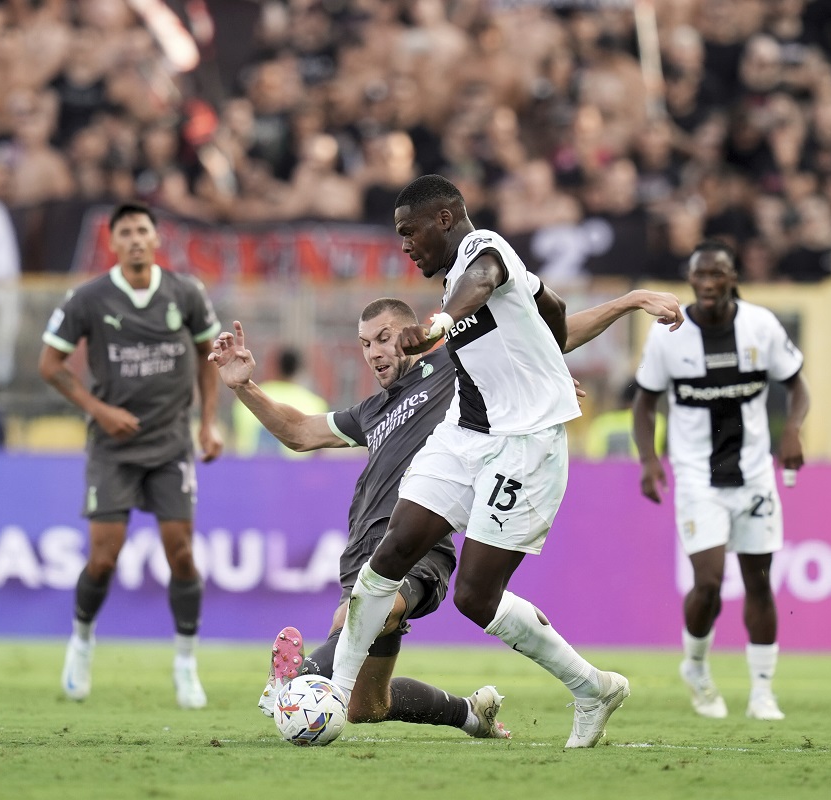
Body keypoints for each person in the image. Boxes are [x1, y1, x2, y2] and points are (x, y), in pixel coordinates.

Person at [210, 287, 680, 738]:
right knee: (365, 707)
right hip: (362, 550)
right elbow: (298, 432)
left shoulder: (452, 363)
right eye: (365, 343)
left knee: (365, 616)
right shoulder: (372, 412)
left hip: (420, 543)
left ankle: (295, 681)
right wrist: (244, 386)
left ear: (411, 331)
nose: (374, 352)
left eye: (384, 337)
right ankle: (472, 714)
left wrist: (618, 311)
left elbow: (547, 333)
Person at [318, 174, 684, 748]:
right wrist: (549, 361)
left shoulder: (483, 249)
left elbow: (484, 280)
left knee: (475, 597)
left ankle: (592, 687)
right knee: (391, 552)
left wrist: (440, 325)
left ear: (443, 219)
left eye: (409, 232)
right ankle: (336, 698)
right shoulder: (466, 281)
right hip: (465, 434)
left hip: (526, 444)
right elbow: (554, 312)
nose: (405, 246)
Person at [39, 201, 223, 709]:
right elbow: (50, 364)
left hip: (170, 445)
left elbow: (210, 356)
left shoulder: (185, 292)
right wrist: (98, 409)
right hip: (113, 448)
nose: (136, 238)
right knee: (103, 557)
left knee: (181, 552)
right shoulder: (90, 298)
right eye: (126, 232)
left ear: (156, 238)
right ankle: (80, 643)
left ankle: (185, 663)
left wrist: (207, 423)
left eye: (144, 229)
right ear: (113, 242)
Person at [632, 240, 809, 722]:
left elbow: (797, 386)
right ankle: (695, 665)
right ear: (692, 281)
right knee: (708, 582)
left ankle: (763, 692)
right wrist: (649, 460)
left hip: (753, 474)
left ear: (732, 278)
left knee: (758, 581)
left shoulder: (761, 326)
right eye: (700, 276)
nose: (708, 284)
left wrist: (791, 430)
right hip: (696, 476)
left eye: (718, 275)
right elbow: (645, 403)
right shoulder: (670, 334)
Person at [231, 346, 327, 458]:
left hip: (251, 471)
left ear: (274, 366)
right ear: (299, 368)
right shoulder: (315, 404)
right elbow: (319, 457)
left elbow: (234, 444)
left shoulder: (247, 398)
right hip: (296, 472)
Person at [583, 380, 665, 460]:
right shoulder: (656, 419)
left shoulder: (600, 422)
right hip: (642, 470)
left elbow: (591, 458)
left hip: (606, 472)